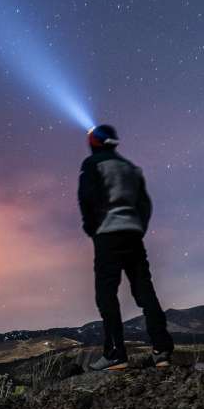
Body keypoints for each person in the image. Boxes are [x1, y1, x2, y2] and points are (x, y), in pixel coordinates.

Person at [77, 124, 174, 371]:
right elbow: (145, 204)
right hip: (133, 235)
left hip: (108, 235)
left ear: (96, 142)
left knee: (106, 293)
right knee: (144, 290)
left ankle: (115, 354)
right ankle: (162, 350)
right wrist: (138, 227)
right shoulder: (131, 168)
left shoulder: (93, 165)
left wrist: (93, 228)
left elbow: (87, 199)